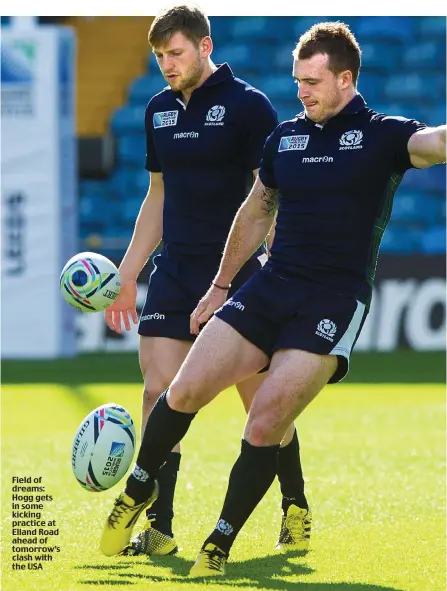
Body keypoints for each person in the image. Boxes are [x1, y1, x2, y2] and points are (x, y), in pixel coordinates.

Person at [100, 20, 446, 575]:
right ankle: (141, 496)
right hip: (264, 286)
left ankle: (222, 541)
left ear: (345, 79)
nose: (302, 90)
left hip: (331, 300)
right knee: (177, 391)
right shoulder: (286, 136)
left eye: (312, 81)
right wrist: (218, 286)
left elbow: (436, 143)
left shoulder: (383, 134)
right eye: (297, 80)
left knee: (263, 420)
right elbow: (258, 208)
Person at [104, 4, 311, 558]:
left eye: (175, 53)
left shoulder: (249, 107)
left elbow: (271, 195)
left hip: (238, 276)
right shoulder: (157, 110)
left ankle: (295, 505)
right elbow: (158, 195)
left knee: (262, 404)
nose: (167, 66)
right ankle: (161, 529)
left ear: (204, 45)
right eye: (159, 57)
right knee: (158, 392)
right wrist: (127, 274)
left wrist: (278, 264)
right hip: (174, 272)